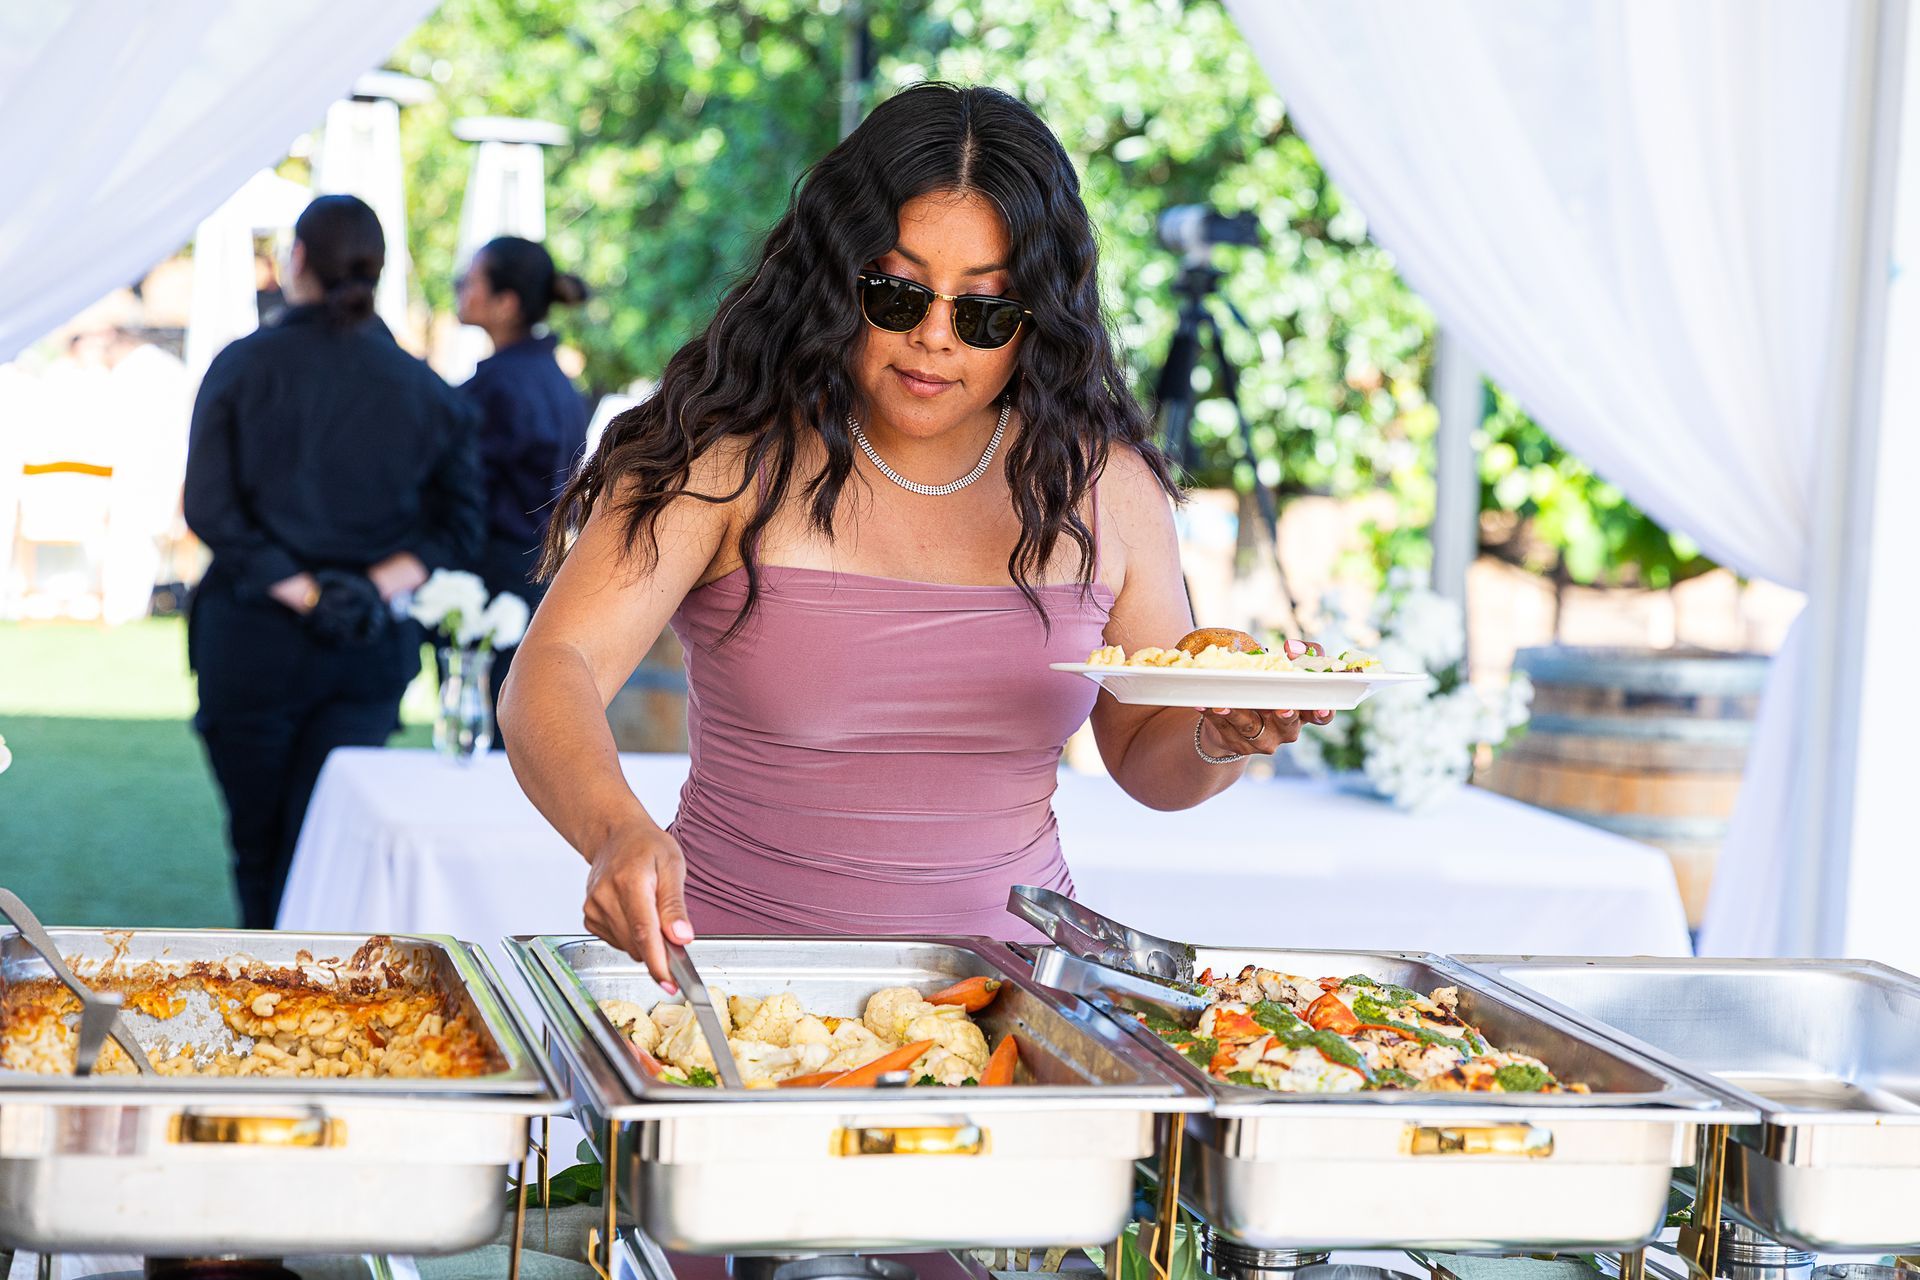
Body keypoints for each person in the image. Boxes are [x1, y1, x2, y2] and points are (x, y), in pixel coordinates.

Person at [500, 84, 1332, 984]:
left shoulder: (1107, 489)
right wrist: (614, 828)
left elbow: (1143, 757)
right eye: (898, 294)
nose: (936, 337)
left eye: (983, 312)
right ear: (836, 278)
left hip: (1014, 1005)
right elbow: (554, 668)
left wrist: (1222, 734)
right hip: (735, 998)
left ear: (1036, 318)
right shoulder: (724, 458)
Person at [184, 194, 483, 928]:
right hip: (364, 647)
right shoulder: (425, 389)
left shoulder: (242, 366)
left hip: (253, 638)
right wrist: (367, 586)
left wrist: (305, 591)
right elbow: (460, 525)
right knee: (327, 852)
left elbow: (209, 509)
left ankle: (264, 984)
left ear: (298, 261)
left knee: (260, 850)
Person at [454, 236, 591, 740]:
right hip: (543, 575)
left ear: (506, 302)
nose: (460, 289)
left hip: (494, 580)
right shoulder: (556, 381)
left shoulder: (498, 387)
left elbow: (462, 489)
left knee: (482, 727)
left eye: (470, 281)